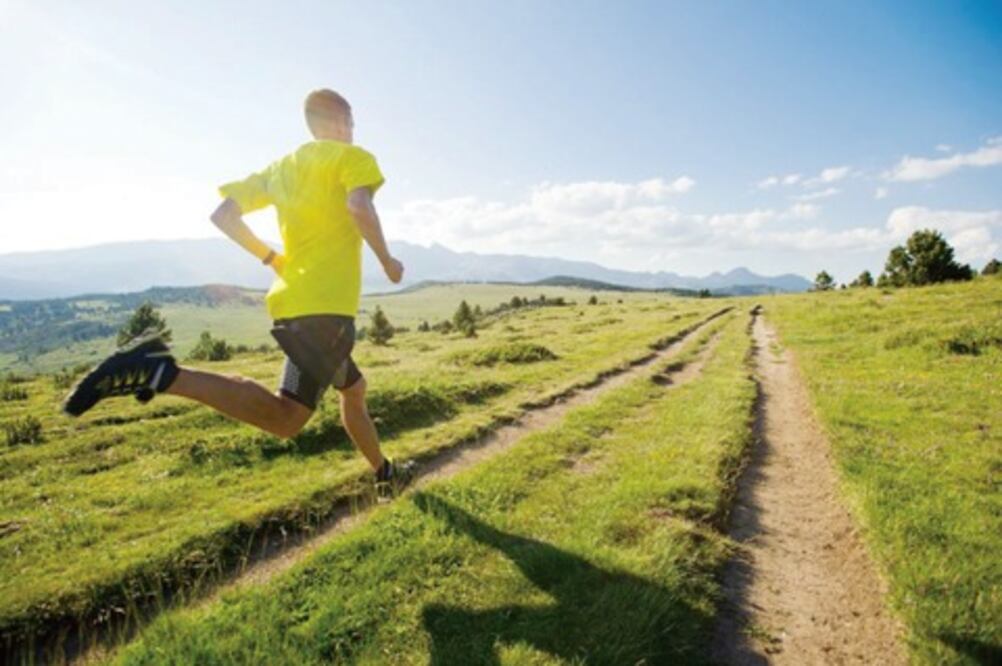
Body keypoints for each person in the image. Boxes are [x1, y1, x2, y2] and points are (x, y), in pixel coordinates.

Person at [63, 88, 414, 494]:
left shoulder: (281, 168)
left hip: (295, 303)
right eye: (351, 123)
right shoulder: (353, 158)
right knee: (286, 419)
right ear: (340, 121)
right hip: (325, 311)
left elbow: (224, 215)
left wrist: (271, 257)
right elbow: (358, 206)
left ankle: (384, 473)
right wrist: (388, 262)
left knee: (354, 389)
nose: (353, 131)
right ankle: (162, 372)